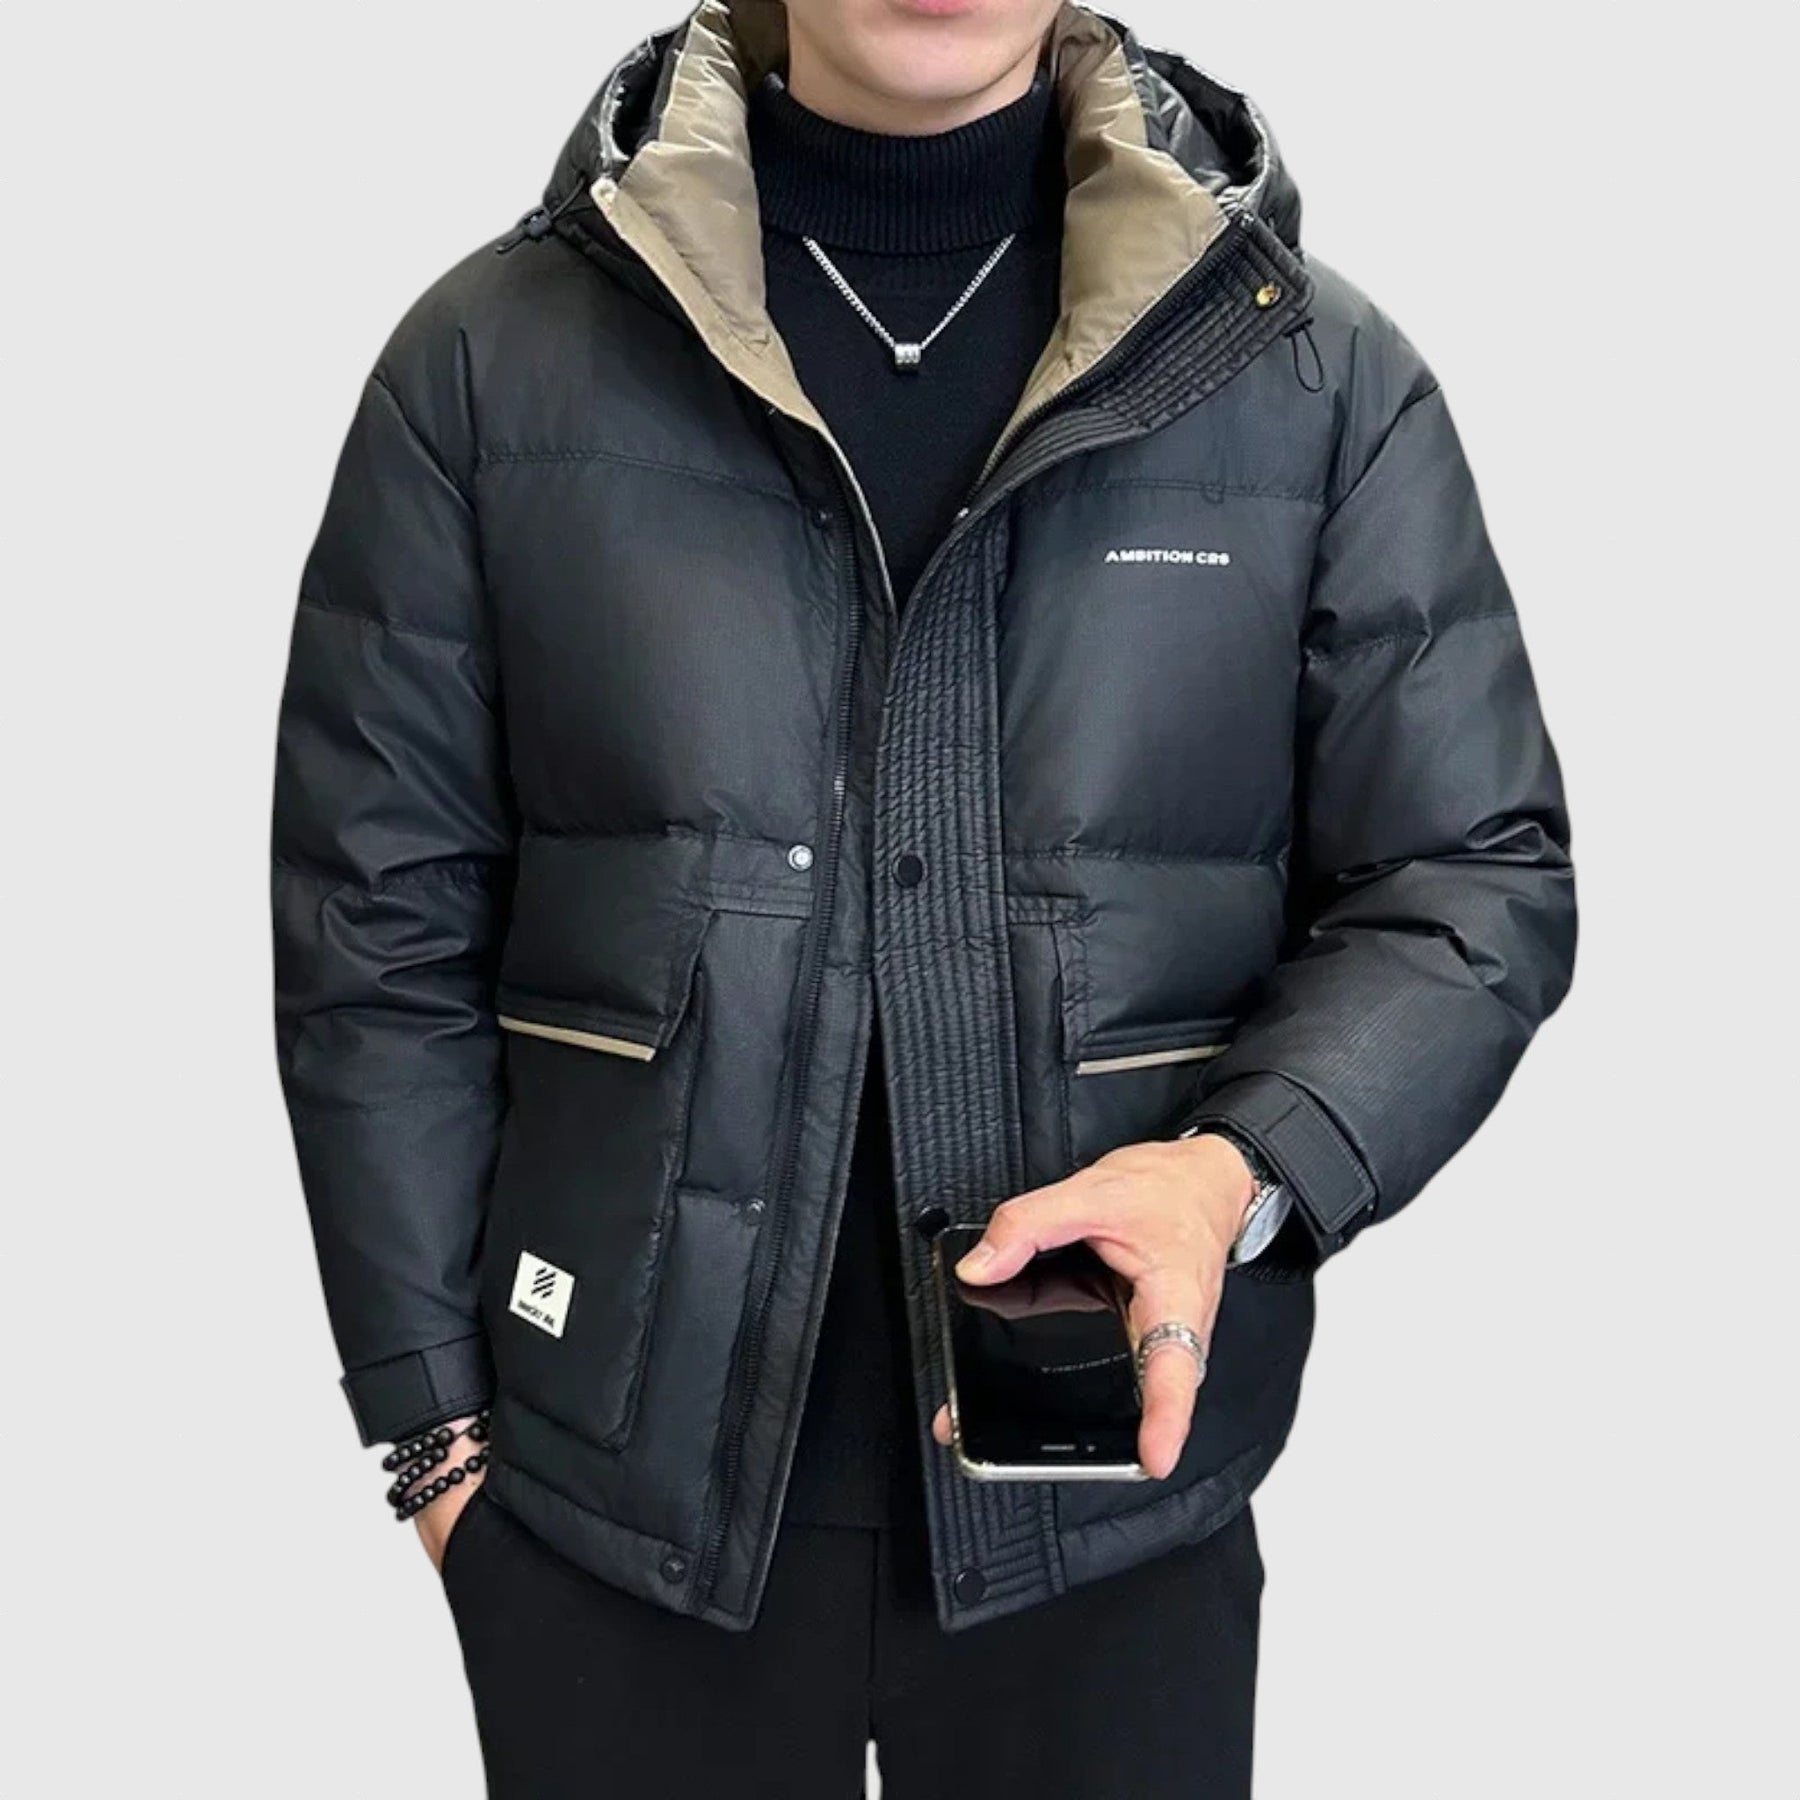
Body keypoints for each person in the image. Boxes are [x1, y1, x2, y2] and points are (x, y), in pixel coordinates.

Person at [270, 0, 1577, 1792]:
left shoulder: (1305, 376)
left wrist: (1237, 1172)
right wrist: (433, 1442)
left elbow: (1470, 874)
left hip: (1117, 1498)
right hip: (607, 1526)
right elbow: (377, 929)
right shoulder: (493, 366)